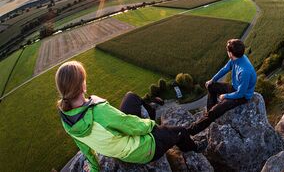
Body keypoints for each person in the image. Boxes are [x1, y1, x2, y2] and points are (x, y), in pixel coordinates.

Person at [56, 61, 203, 172]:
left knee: (131, 97)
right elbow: (128, 125)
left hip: (120, 145)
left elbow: (85, 148)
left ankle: (151, 116)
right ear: (83, 85)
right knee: (182, 132)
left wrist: (94, 168)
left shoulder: (67, 120)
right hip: (144, 149)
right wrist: (151, 125)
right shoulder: (99, 111)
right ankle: (196, 147)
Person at [187, 39, 257, 135]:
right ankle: (210, 111)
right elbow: (225, 69)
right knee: (211, 86)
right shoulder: (236, 58)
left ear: (231, 53)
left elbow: (241, 93)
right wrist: (213, 80)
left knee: (214, 112)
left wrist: (225, 96)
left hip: (242, 96)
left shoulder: (244, 71)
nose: (227, 52)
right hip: (234, 87)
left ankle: (191, 131)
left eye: (228, 51)